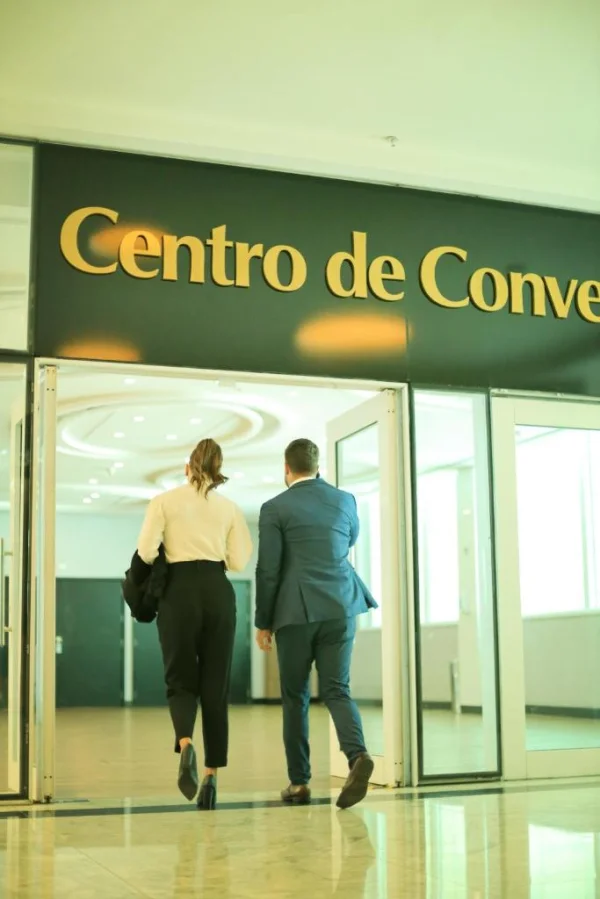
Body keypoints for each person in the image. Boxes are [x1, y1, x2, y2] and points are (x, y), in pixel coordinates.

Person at [255, 438, 377, 809]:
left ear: (286, 469)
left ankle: (299, 783)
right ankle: (357, 755)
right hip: (341, 604)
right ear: (318, 466)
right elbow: (348, 541)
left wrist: (263, 622)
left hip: (295, 612)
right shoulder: (345, 500)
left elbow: (268, 569)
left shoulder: (275, 507)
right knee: (338, 688)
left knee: (296, 696)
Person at [135, 438, 252, 808]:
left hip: (178, 593)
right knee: (215, 687)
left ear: (188, 467)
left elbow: (146, 551)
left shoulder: (164, 501)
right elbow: (238, 562)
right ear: (218, 471)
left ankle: (185, 743)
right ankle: (211, 777)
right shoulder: (230, 508)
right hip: (218, 591)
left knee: (180, 680)